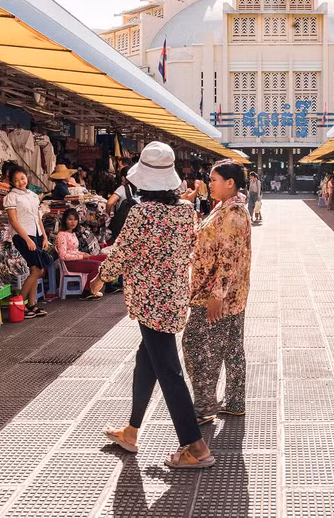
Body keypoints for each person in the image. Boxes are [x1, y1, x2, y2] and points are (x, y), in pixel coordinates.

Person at [100, 141, 214, 469]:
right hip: (174, 298)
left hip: (150, 302)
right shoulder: (185, 211)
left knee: (168, 371)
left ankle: (195, 446)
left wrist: (99, 278)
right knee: (146, 361)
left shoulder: (141, 213)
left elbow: (122, 252)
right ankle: (131, 431)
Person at [184, 160, 252, 424]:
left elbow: (228, 258)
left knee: (197, 347)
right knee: (232, 348)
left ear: (230, 183)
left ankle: (204, 407)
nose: (209, 184)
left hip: (217, 295)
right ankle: (234, 401)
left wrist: (217, 294)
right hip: (233, 295)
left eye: (213, 180)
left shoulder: (233, 214)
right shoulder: (225, 208)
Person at [4, 166, 51, 319]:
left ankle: (31, 305)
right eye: (16, 180)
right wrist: (27, 239)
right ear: (11, 182)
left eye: (22, 178)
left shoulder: (32, 195)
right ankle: (19, 304)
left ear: (27, 177)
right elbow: (13, 221)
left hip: (36, 234)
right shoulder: (11, 197)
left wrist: (44, 236)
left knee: (35, 271)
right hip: (22, 236)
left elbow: (38, 218)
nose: (20, 182)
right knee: (37, 271)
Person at [54, 208, 105, 300]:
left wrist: (84, 254)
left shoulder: (73, 233)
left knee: (105, 258)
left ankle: (104, 286)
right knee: (97, 265)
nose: (73, 222)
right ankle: (87, 291)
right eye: (70, 219)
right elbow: (63, 256)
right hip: (70, 263)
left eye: (75, 219)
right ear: (65, 220)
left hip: (78, 259)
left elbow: (75, 250)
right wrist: (82, 256)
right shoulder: (61, 235)